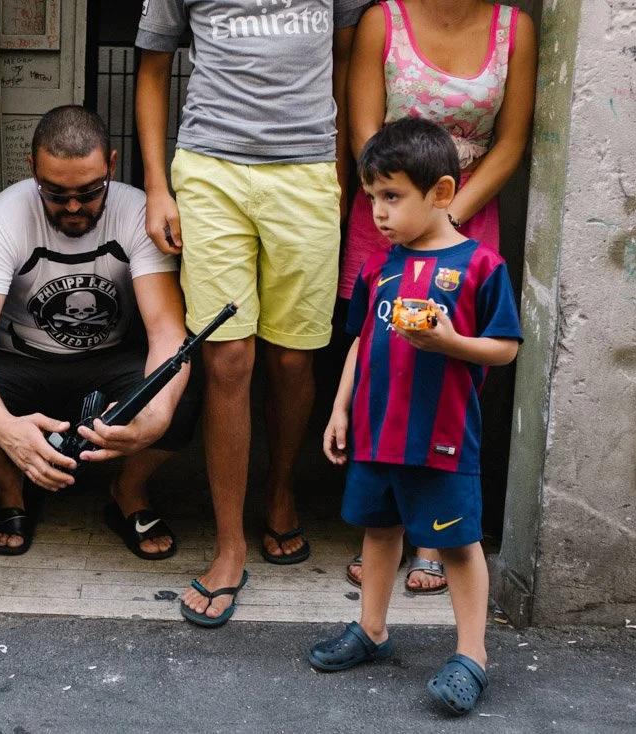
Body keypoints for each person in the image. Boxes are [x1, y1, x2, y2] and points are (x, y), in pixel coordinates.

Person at [135, 0, 372, 627]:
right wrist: (158, 186)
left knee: (294, 358)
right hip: (211, 170)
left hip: (308, 173)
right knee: (229, 356)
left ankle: (281, 489)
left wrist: (339, 174)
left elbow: (344, 62)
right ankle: (230, 544)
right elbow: (152, 70)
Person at [0, 105, 199, 560]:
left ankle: (128, 491)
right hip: (18, 366)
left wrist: (157, 415)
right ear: (32, 171)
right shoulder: (4, 216)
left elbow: (167, 330)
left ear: (111, 164)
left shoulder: (136, 213)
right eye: (55, 192)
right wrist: (5, 430)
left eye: (88, 192)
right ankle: (10, 485)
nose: (72, 206)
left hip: (107, 365)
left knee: (179, 394)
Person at [308, 118, 522, 716]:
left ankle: (472, 656)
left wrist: (452, 342)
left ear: (443, 193)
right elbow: (359, 345)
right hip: (378, 434)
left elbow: (505, 347)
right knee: (378, 531)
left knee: (458, 545)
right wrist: (340, 410)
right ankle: (372, 630)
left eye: (393, 196)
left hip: (443, 437)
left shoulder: (482, 267)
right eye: (372, 196)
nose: (378, 211)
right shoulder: (380, 269)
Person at [340, 0, 536, 594]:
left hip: (464, 210)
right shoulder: (383, 18)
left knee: (454, 359)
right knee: (381, 351)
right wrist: (403, 210)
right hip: (393, 208)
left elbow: (511, 141)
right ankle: (384, 522)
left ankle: (435, 532)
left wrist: (449, 217)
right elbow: (365, 134)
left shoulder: (514, 29)